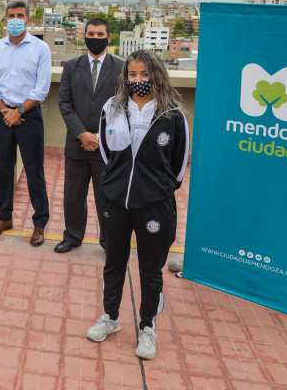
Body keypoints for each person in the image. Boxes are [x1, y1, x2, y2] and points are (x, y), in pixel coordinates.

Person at [86, 49, 189, 360]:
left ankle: (147, 328)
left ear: (156, 74)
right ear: (125, 77)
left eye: (145, 74)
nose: (138, 80)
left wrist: (154, 189)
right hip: (115, 201)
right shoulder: (113, 107)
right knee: (113, 262)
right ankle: (111, 318)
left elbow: (179, 165)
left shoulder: (172, 114)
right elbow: (106, 151)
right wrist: (118, 183)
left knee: (150, 269)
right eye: (132, 75)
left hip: (154, 205)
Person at [0, 0, 52, 246]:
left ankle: (39, 224)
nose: (15, 19)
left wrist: (19, 110)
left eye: (20, 15)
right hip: (3, 116)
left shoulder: (40, 48)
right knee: (4, 168)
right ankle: (5, 217)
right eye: (11, 15)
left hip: (29, 116)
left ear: (28, 20)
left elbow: (41, 88)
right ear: (5, 20)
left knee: (35, 170)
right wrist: (5, 111)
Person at [54, 17, 124, 253]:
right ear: (84, 36)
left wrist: (99, 136)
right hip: (77, 145)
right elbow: (64, 103)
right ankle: (72, 237)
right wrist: (82, 134)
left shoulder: (123, 68)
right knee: (73, 196)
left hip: (107, 147)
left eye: (100, 35)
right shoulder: (71, 66)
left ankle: (108, 242)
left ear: (109, 37)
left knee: (106, 198)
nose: (95, 39)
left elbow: (124, 108)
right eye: (91, 35)